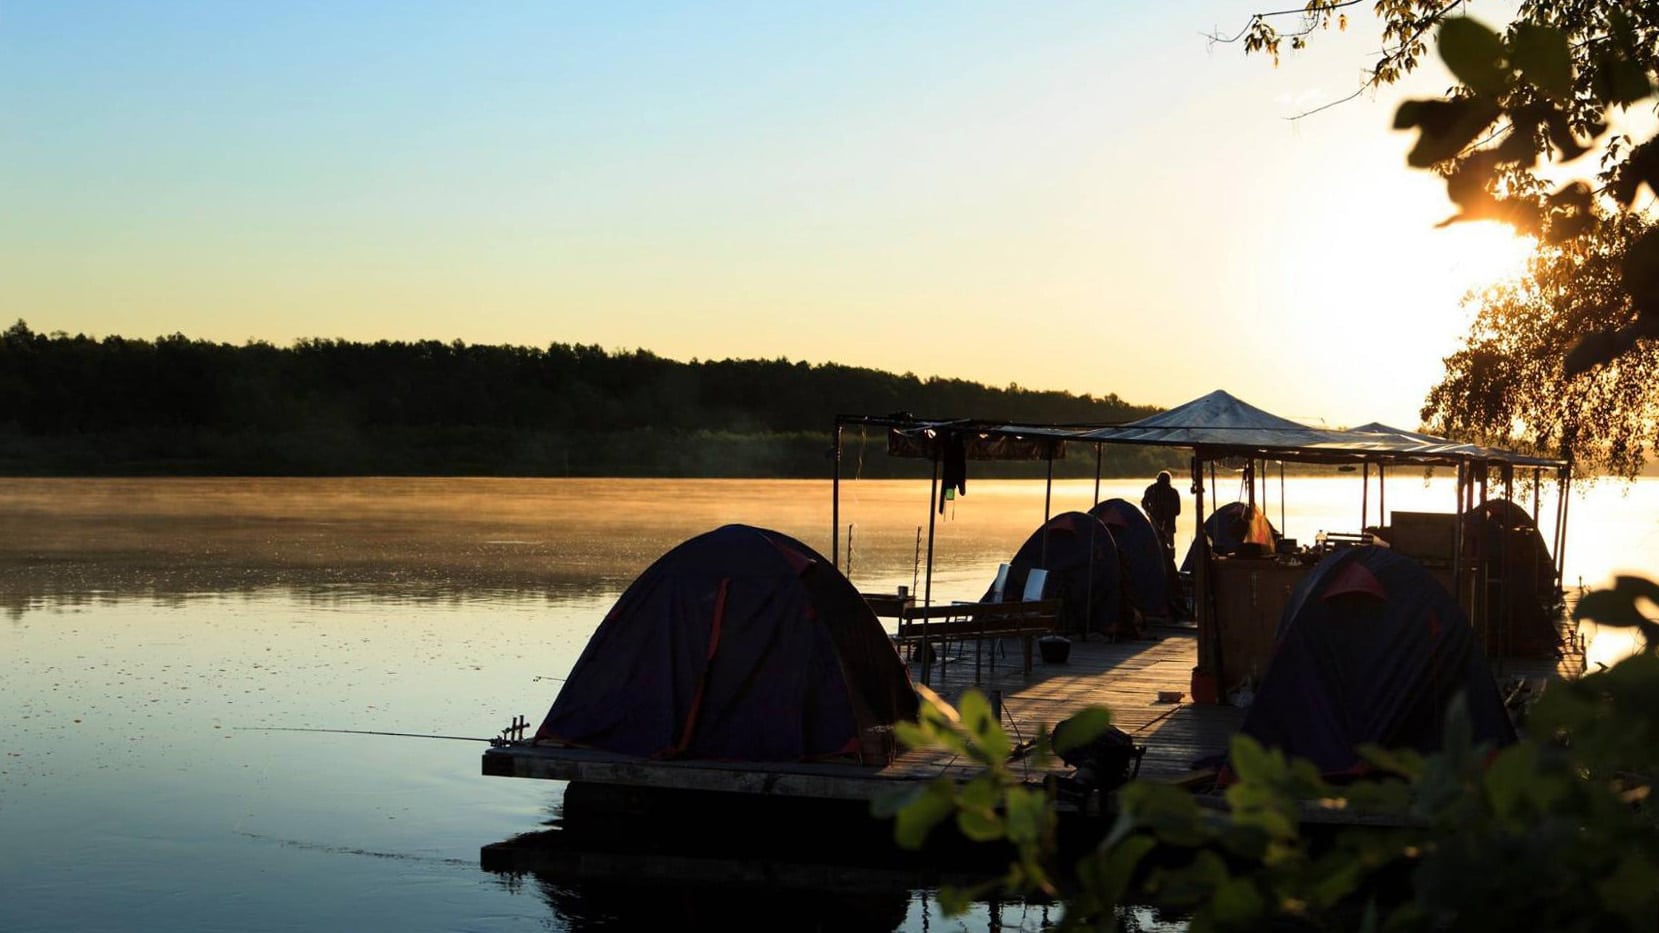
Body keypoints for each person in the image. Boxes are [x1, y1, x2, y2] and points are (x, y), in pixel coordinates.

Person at [1141, 470, 1181, 562]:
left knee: (1156, 546)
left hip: (1158, 524)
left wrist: (1150, 512)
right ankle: (1171, 565)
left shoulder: (1151, 489)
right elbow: (1178, 511)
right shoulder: (1173, 492)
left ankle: (1158, 565)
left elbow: (1144, 503)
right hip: (1166, 524)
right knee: (1169, 547)